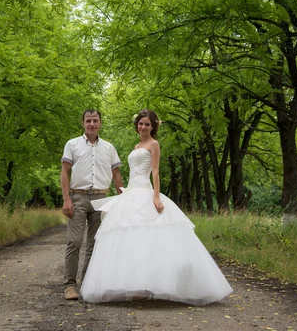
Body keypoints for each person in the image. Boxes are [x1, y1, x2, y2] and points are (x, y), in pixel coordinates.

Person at [80, 108, 233, 305]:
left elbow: (155, 172)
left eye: (147, 124)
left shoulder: (154, 144)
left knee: (151, 237)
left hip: (145, 190)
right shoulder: (136, 146)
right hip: (131, 191)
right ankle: (136, 284)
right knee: (132, 238)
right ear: (137, 126)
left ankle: (152, 285)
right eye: (141, 124)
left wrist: (156, 196)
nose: (143, 127)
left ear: (152, 127)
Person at [61, 108, 123, 300]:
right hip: (78, 197)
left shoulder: (109, 148)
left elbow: (116, 175)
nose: (92, 124)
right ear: (83, 123)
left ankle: (87, 283)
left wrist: (122, 199)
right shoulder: (72, 145)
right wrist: (66, 199)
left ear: (100, 123)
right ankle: (70, 285)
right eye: (88, 121)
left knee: (94, 243)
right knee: (75, 241)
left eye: (95, 120)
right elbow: (65, 172)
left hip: (102, 199)